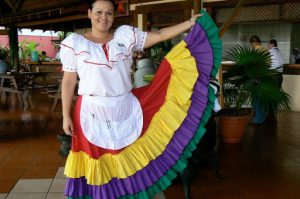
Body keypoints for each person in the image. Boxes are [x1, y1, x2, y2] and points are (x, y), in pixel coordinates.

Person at [61, 0, 221, 198]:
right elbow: (68, 82)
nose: (104, 17)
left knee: (126, 160)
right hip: (90, 111)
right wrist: (65, 115)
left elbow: (160, 35)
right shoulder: (74, 44)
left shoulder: (125, 36)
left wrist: (189, 23)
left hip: (125, 107)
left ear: (114, 16)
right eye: (99, 12)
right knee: (95, 161)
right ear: (89, 13)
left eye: (109, 13)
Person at [249, 35, 269, 124]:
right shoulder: (265, 49)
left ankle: (258, 118)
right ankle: (262, 116)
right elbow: (269, 63)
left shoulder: (255, 50)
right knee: (261, 96)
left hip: (256, 76)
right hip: (264, 75)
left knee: (256, 97)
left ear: (252, 43)